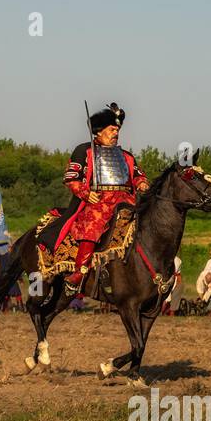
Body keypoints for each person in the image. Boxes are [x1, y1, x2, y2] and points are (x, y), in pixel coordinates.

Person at [54, 103, 149, 295]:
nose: (116, 133)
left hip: (126, 201)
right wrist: (86, 193)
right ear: (99, 131)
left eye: (117, 130)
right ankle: (80, 272)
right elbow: (71, 178)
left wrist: (142, 183)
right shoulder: (84, 151)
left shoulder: (127, 156)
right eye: (112, 129)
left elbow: (137, 175)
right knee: (93, 222)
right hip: (98, 202)